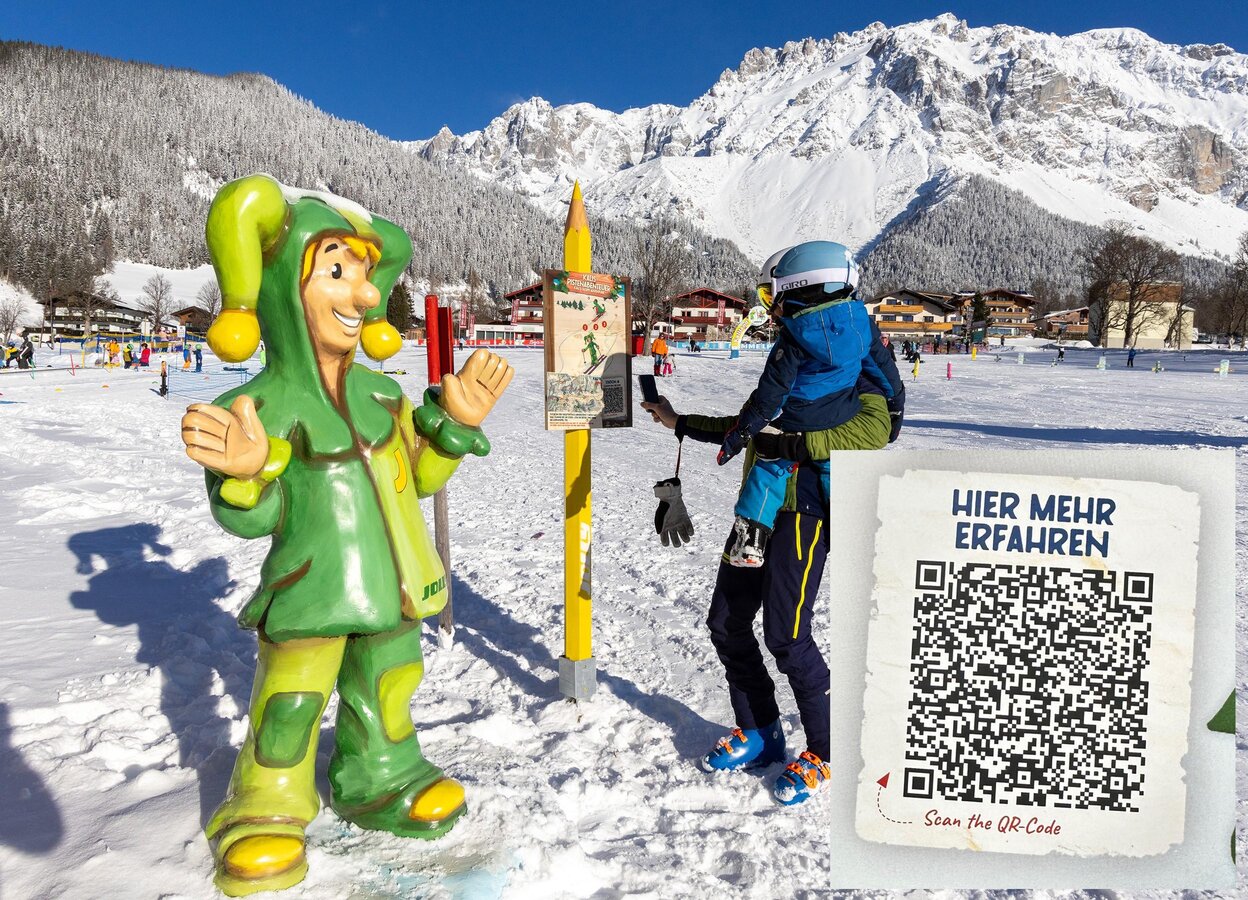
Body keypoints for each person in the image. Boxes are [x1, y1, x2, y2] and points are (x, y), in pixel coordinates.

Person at [180, 174, 514, 895]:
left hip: (395, 587)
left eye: (365, 276)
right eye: (337, 272)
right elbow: (253, 518)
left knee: (390, 686)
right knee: (291, 701)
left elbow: (417, 479)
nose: (363, 296)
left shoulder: (383, 394)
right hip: (311, 594)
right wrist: (244, 475)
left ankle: (381, 776)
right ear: (282, 288)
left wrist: (454, 428)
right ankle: (266, 803)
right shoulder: (260, 405)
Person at [642, 244, 904, 808]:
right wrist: (679, 421)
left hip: (806, 513)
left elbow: (878, 431)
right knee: (726, 622)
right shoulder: (792, 365)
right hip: (757, 510)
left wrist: (796, 444)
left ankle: (827, 750)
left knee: (786, 634)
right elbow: (753, 424)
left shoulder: (859, 370)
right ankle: (760, 729)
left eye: (773, 296)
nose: (772, 310)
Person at [717, 241, 902, 566]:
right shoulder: (862, 324)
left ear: (798, 287)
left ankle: (751, 538)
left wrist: (740, 434)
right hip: (842, 414)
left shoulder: (793, 337)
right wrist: (896, 405)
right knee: (834, 473)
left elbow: (770, 397)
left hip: (796, 420)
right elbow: (884, 371)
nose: (772, 309)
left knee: (768, 468)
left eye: (771, 296)